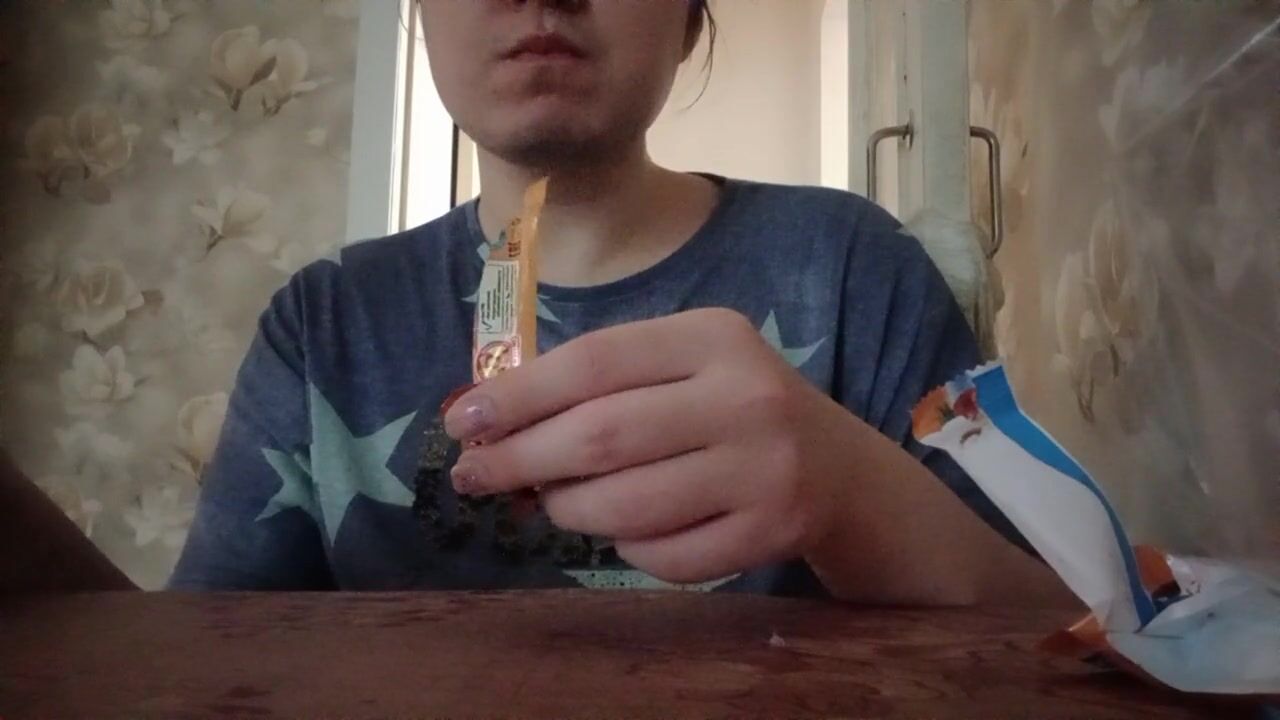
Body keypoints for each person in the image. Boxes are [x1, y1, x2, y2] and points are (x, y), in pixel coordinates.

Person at [165, 0, 1064, 604]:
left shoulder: (854, 266)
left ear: (689, 18)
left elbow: (1059, 633)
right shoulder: (322, 323)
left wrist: (846, 489)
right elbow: (206, 663)